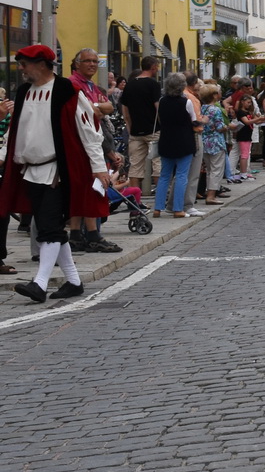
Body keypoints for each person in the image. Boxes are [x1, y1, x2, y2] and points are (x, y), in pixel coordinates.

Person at [0, 45, 113, 302]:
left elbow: (89, 132)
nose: (21, 69)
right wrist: (4, 155)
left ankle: (39, 284)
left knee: (49, 227)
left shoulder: (66, 91)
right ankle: (73, 281)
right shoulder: (24, 91)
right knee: (49, 228)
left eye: (25, 64)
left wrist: (98, 167)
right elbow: (16, 130)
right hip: (29, 171)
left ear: (41, 64)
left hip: (56, 172)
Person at [68, 49, 122, 254]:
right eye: (87, 61)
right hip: (83, 143)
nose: (92, 64)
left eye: (94, 61)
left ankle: (77, 234)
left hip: (94, 142)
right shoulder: (73, 84)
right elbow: (91, 114)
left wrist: (97, 106)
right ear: (77, 64)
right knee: (90, 188)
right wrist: (97, 108)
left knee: (86, 189)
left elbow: (108, 108)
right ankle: (91, 234)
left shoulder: (92, 85)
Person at [153, 72, 204, 218]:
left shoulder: (162, 101)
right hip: (184, 141)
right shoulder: (186, 102)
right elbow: (194, 121)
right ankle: (178, 209)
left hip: (166, 140)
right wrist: (203, 121)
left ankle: (158, 208)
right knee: (182, 175)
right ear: (182, 86)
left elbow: (161, 120)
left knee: (164, 176)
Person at [119, 55, 161, 191]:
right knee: (158, 165)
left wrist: (130, 127)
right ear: (153, 67)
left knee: (135, 167)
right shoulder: (153, 84)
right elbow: (158, 108)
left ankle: (135, 198)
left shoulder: (129, 85)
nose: (157, 69)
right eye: (157, 67)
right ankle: (160, 197)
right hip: (153, 130)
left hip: (135, 132)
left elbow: (125, 111)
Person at [198, 86, 230, 208]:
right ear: (214, 95)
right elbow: (220, 127)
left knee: (209, 169)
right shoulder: (215, 109)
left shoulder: (202, 108)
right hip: (216, 141)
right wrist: (227, 127)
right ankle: (211, 195)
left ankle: (209, 192)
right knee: (216, 169)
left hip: (205, 141)